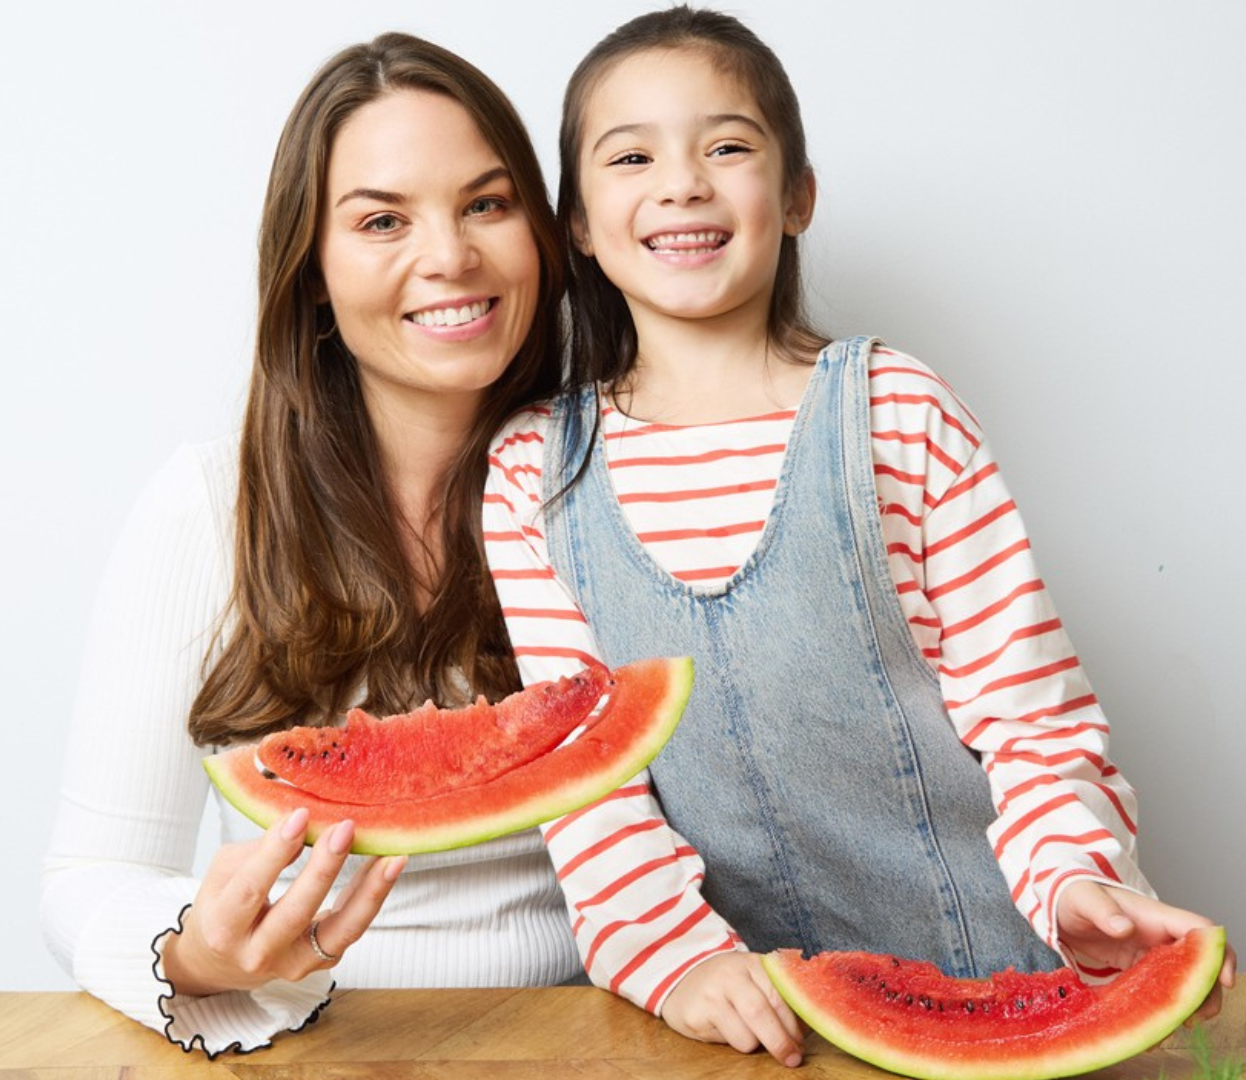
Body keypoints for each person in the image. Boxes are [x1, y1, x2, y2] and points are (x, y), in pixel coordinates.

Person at [482, 5, 1236, 1068]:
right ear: (579, 222)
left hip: (995, 979)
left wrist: (1079, 883)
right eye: (632, 155)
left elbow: (1027, 713)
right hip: (726, 1013)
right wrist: (669, 957)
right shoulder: (533, 471)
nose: (684, 181)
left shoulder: (898, 410)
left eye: (728, 146)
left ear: (797, 197)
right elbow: (583, 776)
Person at [42, 33, 590, 1058]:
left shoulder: (625, 492)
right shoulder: (209, 509)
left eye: (487, 203)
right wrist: (197, 957)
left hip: (589, 1040)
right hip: (299, 1045)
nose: (451, 256)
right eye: (384, 220)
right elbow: (87, 877)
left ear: (546, 238)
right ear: (315, 275)